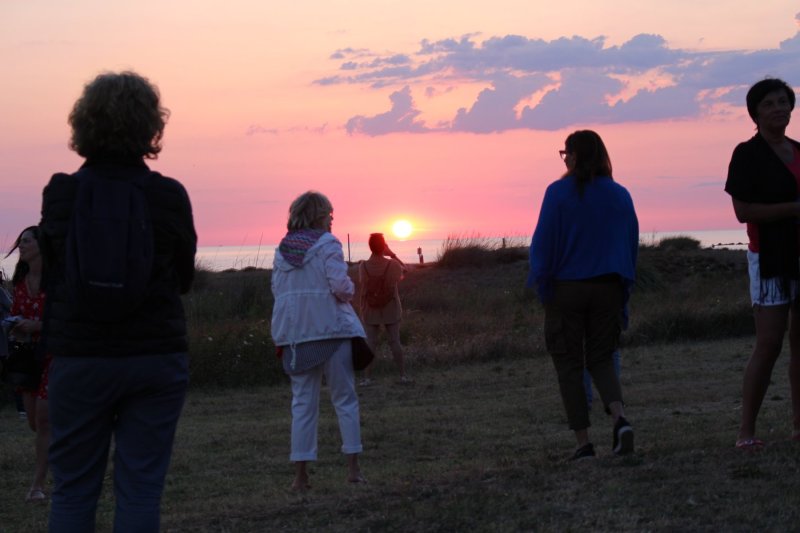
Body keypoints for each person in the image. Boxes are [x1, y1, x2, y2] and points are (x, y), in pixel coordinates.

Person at [39, 71, 197, 532]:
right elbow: (184, 279)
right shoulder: (168, 195)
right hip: (155, 359)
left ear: (82, 124)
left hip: (80, 358)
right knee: (141, 490)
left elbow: (52, 276)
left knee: (72, 492)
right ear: (151, 126)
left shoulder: (62, 193)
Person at [528, 130, 638, 460]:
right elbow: (630, 245)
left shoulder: (558, 193)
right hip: (608, 287)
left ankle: (583, 443)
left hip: (567, 289)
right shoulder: (619, 195)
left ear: (573, 156)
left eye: (566, 154)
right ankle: (619, 419)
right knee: (602, 357)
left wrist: (542, 284)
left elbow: (543, 244)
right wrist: (623, 290)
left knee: (569, 364)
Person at [271, 190, 366, 490]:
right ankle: (353, 470)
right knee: (345, 399)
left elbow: (277, 291)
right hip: (333, 331)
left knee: (302, 405)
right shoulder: (328, 244)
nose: (332, 220)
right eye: (329, 214)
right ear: (319, 216)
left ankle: (300, 476)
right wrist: (352, 289)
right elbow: (340, 286)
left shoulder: (282, 250)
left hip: (297, 336)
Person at [724, 78, 800, 451]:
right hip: (768, 258)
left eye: (783, 101)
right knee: (769, 344)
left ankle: (798, 427)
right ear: (755, 112)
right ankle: (746, 431)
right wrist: (795, 209)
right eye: (769, 103)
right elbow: (743, 211)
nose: (778, 108)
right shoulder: (747, 154)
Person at [5, 227, 50, 501]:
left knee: (44, 421)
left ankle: (37, 485)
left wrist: (37, 325)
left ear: (41, 246)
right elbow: (15, 317)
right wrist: (15, 327)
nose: (20, 246)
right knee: (35, 422)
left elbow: (67, 321)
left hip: (55, 356)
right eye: (19, 241)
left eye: (26, 241)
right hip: (28, 359)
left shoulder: (57, 283)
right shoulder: (19, 283)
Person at [358, 233, 410, 384]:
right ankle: (402, 376)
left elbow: (364, 284)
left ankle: (367, 378)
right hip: (391, 307)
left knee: (371, 343)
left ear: (370, 247)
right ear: (384, 246)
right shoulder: (392, 265)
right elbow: (405, 271)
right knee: (395, 341)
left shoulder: (363, 266)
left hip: (370, 309)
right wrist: (392, 254)